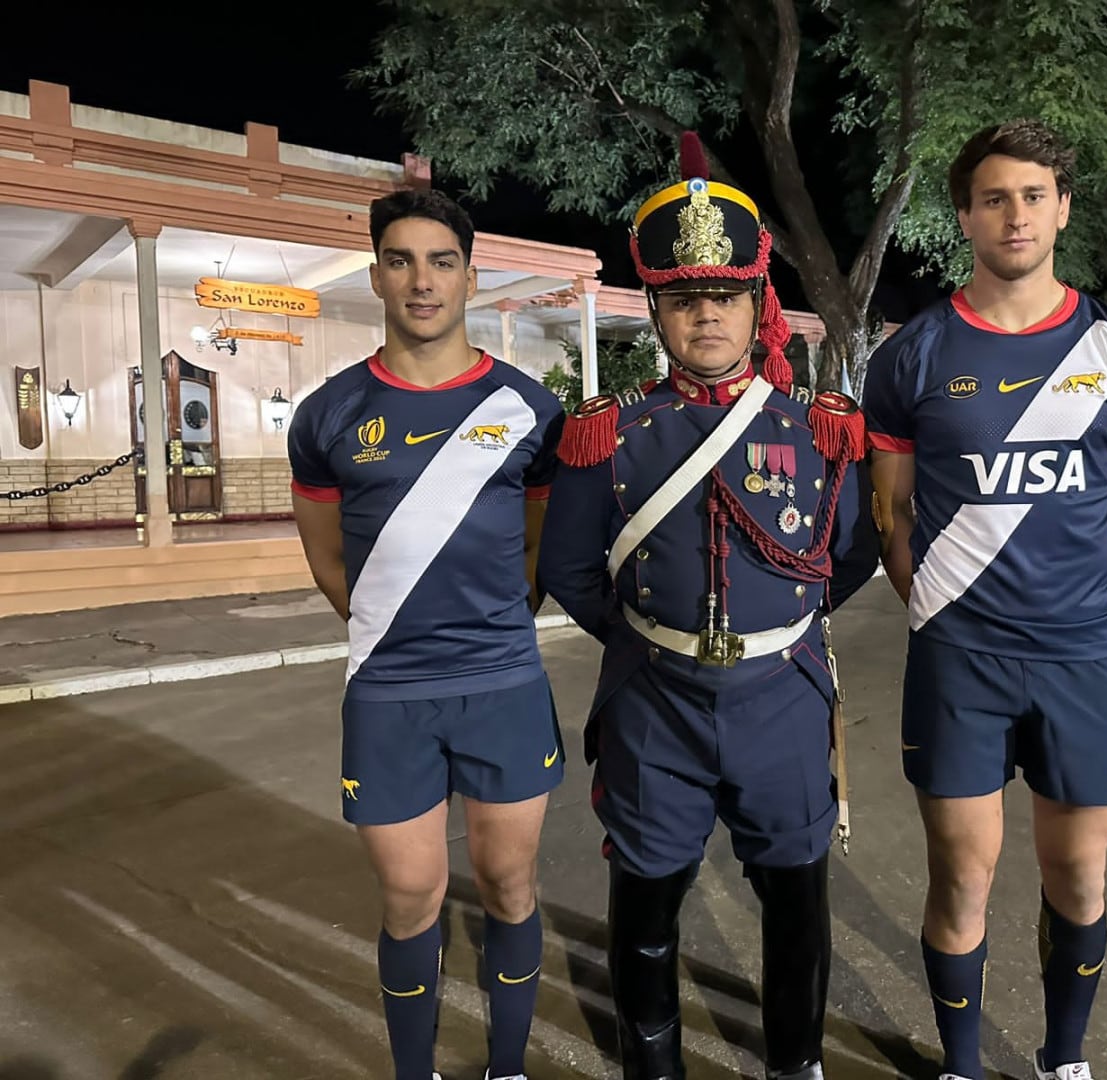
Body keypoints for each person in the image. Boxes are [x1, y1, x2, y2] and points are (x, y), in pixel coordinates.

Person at [537, 133, 878, 1080]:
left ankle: (794, 1066)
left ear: (756, 302)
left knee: (796, 910)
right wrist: (649, 639)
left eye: (724, 296)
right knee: (645, 914)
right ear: (656, 308)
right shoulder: (612, 435)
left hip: (782, 699)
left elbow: (848, 555)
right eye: (685, 298)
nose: (706, 316)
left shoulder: (814, 430)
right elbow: (569, 567)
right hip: (656, 703)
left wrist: (781, 627)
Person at [861, 119, 1107, 1080]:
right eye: (994, 198)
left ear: (1063, 209)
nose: (1016, 215)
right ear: (964, 215)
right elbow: (890, 513)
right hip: (959, 660)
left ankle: (1062, 1059)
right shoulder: (912, 355)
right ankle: (962, 1066)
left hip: (1086, 659)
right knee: (962, 876)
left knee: (1078, 873)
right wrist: (938, 602)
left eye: (1034, 195)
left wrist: (1090, 601)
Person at [287, 188, 565, 1080]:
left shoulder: (530, 409)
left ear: (470, 278)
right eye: (400, 261)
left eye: (442, 262)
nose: (422, 281)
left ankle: (506, 1068)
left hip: (504, 685)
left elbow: (537, 548)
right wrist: (393, 630)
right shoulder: (327, 415)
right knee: (411, 896)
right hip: (389, 693)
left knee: (510, 885)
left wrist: (490, 628)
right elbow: (328, 560)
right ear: (376, 276)